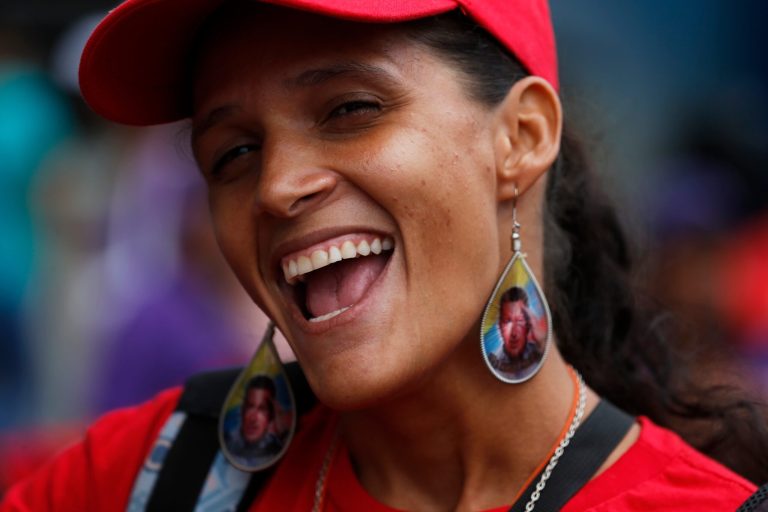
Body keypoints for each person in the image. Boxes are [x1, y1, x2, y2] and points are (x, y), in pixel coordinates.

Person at [2, 0, 767, 510]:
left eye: (350, 109)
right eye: (233, 153)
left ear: (522, 137)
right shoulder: (148, 475)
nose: (276, 188)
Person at [224, 375, 285, 465]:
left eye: (262, 409)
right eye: (250, 406)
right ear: (242, 410)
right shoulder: (227, 441)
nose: (253, 418)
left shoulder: (276, 449)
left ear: (271, 415)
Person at [488, 287, 545, 378]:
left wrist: (541, 339)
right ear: (500, 326)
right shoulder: (492, 365)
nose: (514, 333)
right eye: (507, 322)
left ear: (528, 324)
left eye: (520, 321)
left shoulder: (540, 349)